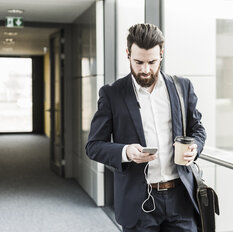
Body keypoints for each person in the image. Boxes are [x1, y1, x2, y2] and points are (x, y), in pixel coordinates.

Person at [86, 23, 206, 232]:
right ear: (127, 54)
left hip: (181, 197)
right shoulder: (112, 94)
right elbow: (94, 146)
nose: (145, 69)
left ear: (161, 53)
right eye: (138, 62)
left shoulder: (182, 87)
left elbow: (198, 128)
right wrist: (125, 152)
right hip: (139, 202)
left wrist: (195, 146)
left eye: (152, 62)